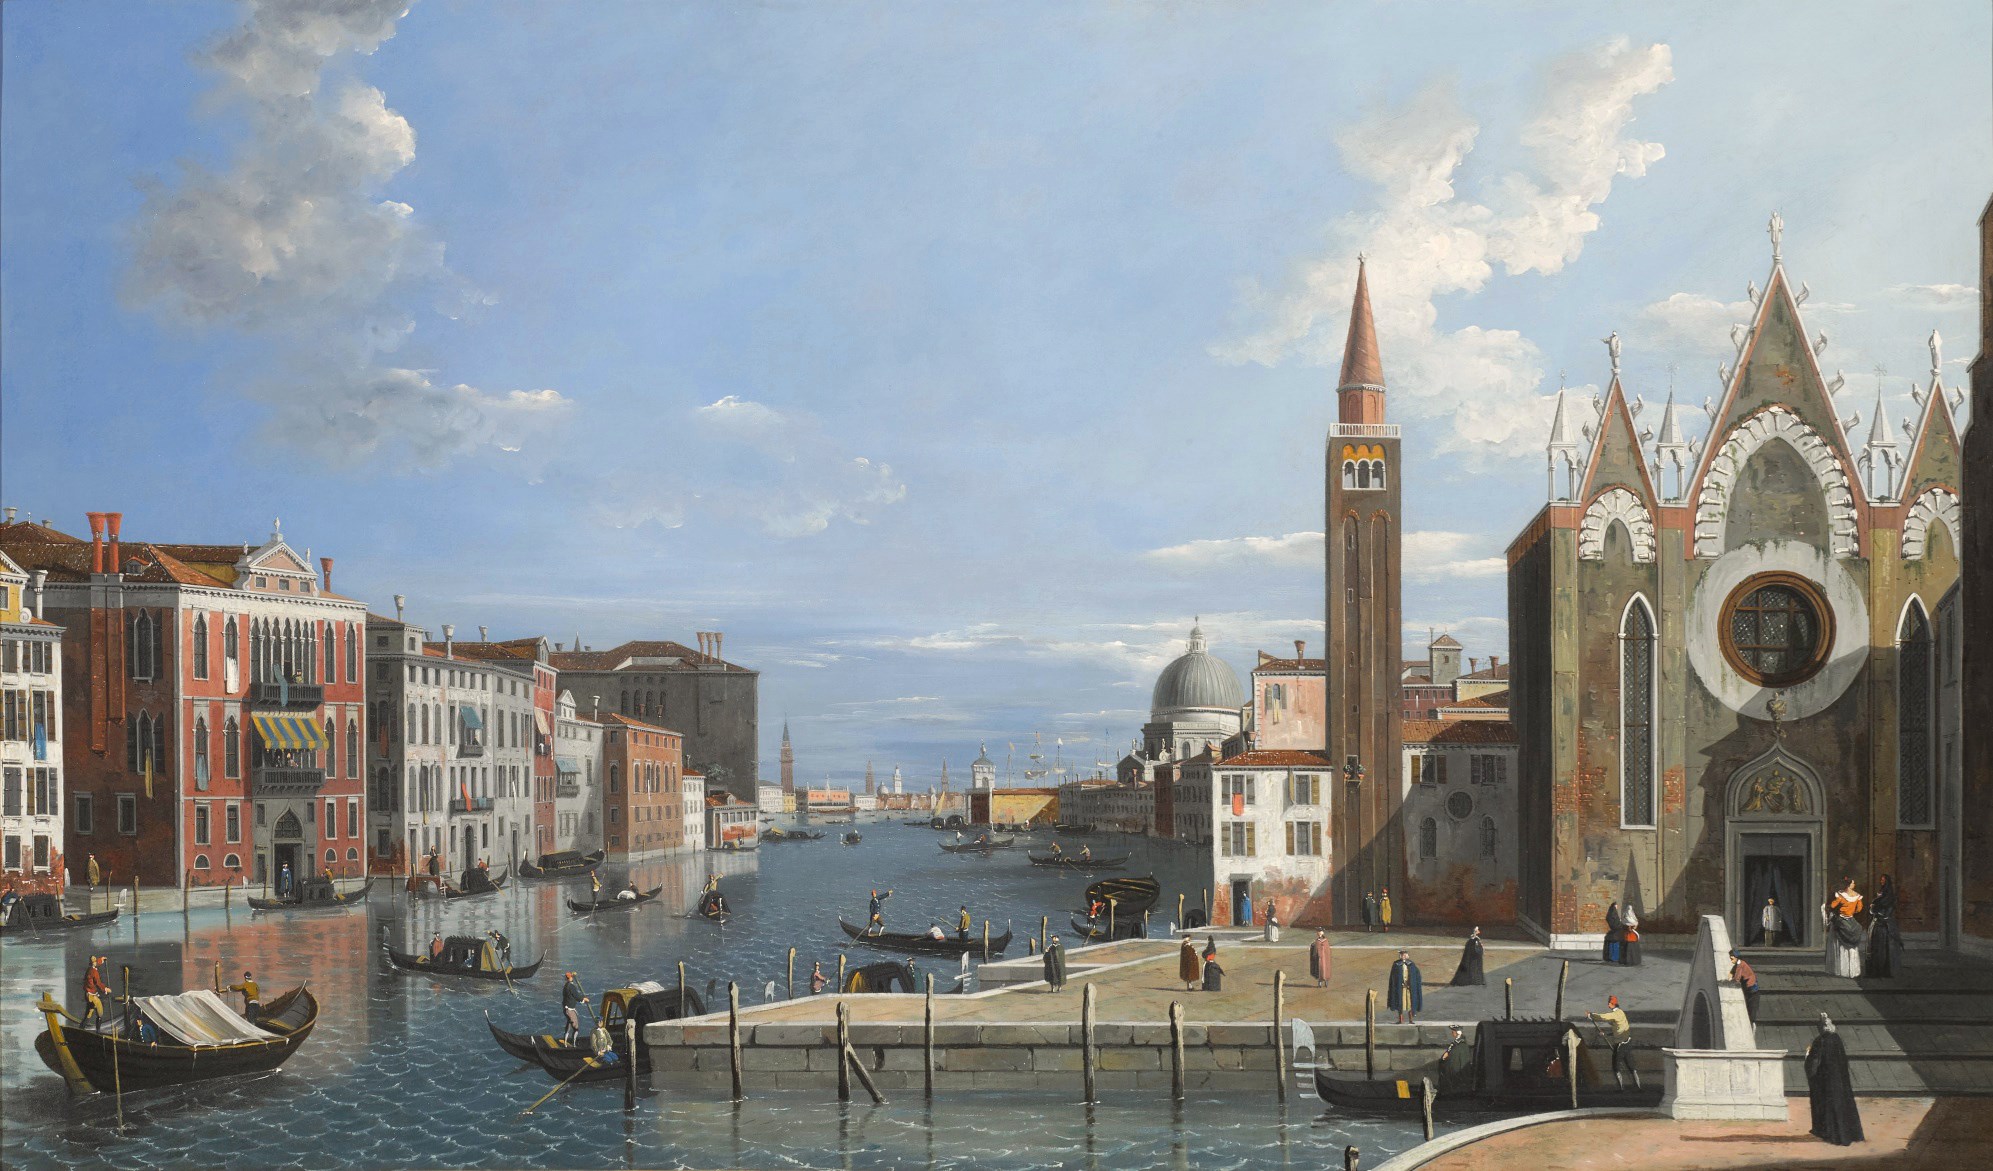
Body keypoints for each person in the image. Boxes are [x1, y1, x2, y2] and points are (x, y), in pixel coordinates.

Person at [1805, 1013, 1864, 1146]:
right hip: (1839, 1079)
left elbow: (1814, 1062)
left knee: (1827, 1105)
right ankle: (1847, 1134)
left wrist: (1808, 1056)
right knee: (1841, 1103)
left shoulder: (1820, 1041)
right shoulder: (1837, 1039)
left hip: (1825, 1080)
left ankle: (1829, 1133)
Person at [1587, 994, 1638, 1089]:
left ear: (1613, 1004)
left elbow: (1604, 1017)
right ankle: (1639, 1087)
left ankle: (1621, 1088)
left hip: (1620, 1045)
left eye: (1609, 1003)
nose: (1608, 1005)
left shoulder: (1615, 1014)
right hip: (1628, 1042)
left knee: (1616, 1067)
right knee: (1632, 1067)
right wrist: (1605, 1034)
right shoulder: (1621, 1013)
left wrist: (1591, 1015)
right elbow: (1618, 1029)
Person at [1823, 877, 1865, 978]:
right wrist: (1851, 912)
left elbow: (1832, 906)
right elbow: (1859, 909)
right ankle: (1851, 971)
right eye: (1853, 883)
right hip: (1851, 920)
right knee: (1851, 947)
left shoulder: (1841, 896)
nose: (1854, 885)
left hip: (1841, 921)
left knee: (1838, 944)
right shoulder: (1857, 896)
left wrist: (1827, 907)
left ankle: (1840, 970)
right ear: (1849, 885)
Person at [1865, 875, 1902, 978]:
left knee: (1883, 950)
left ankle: (1883, 971)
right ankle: (1876, 971)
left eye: (1883, 880)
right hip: (1878, 925)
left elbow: (1885, 911)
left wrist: (1874, 907)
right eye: (1880, 879)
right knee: (1876, 949)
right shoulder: (1881, 895)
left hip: (1884, 926)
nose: (1881, 881)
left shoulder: (1889, 896)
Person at [1387, 950, 1422, 1024]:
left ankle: (1411, 1019)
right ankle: (1401, 1019)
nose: (1404, 956)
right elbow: (1393, 977)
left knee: (1410, 1003)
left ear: (1407, 955)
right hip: (1400, 988)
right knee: (1400, 1003)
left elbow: (1416, 976)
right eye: (1402, 955)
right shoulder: (1396, 964)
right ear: (1400, 956)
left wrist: (1411, 983)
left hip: (1409, 988)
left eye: (1405, 954)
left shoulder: (1411, 964)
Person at [1730, 950, 1760, 1024]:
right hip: (1752, 990)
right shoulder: (1739, 964)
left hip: (1752, 991)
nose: (1731, 960)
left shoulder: (1740, 965)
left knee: (1750, 1015)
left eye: (1732, 959)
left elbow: (1736, 979)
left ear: (1737, 958)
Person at [80, 955, 109, 1030]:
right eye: (95, 961)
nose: (96, 962)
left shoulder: (90, 969)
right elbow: (98, 983)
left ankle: (81, 1028)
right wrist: (105, 989)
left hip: (89, 994)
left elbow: (97, 963)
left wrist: (101, 959)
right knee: (100, 1012)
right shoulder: (94, 972)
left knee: (90, 1012)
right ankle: (98, 1031)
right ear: (92, 963)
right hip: (92, 995)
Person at [561, 972, 589, 1045]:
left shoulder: (566, 985)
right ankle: (574, 1044)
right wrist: (584, 999)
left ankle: (566, 1043)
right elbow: (577, 996)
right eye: (571, 977)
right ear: (570, 978)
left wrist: (572, 975)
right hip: (570, 1010)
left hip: (566, 1009)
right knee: (576, 1028)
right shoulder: (571, 986)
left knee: (569, 1025)